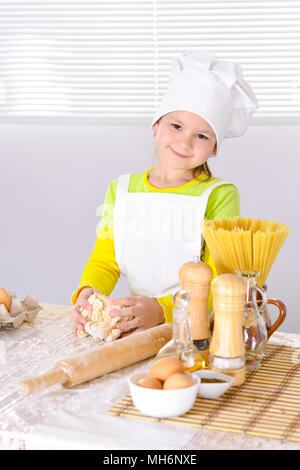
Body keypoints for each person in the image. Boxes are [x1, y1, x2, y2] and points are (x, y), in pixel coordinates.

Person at [70, 50, 258, 337]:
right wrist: (88, 293)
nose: (185, 141)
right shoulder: (121, 190)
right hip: (139, 330)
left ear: (215, 146)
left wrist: (162, 309)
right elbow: (106, 260)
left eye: (202, 135)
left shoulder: (219, 195)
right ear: (156, 125)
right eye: (176, 126)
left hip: (198, 332)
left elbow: (220, 277)